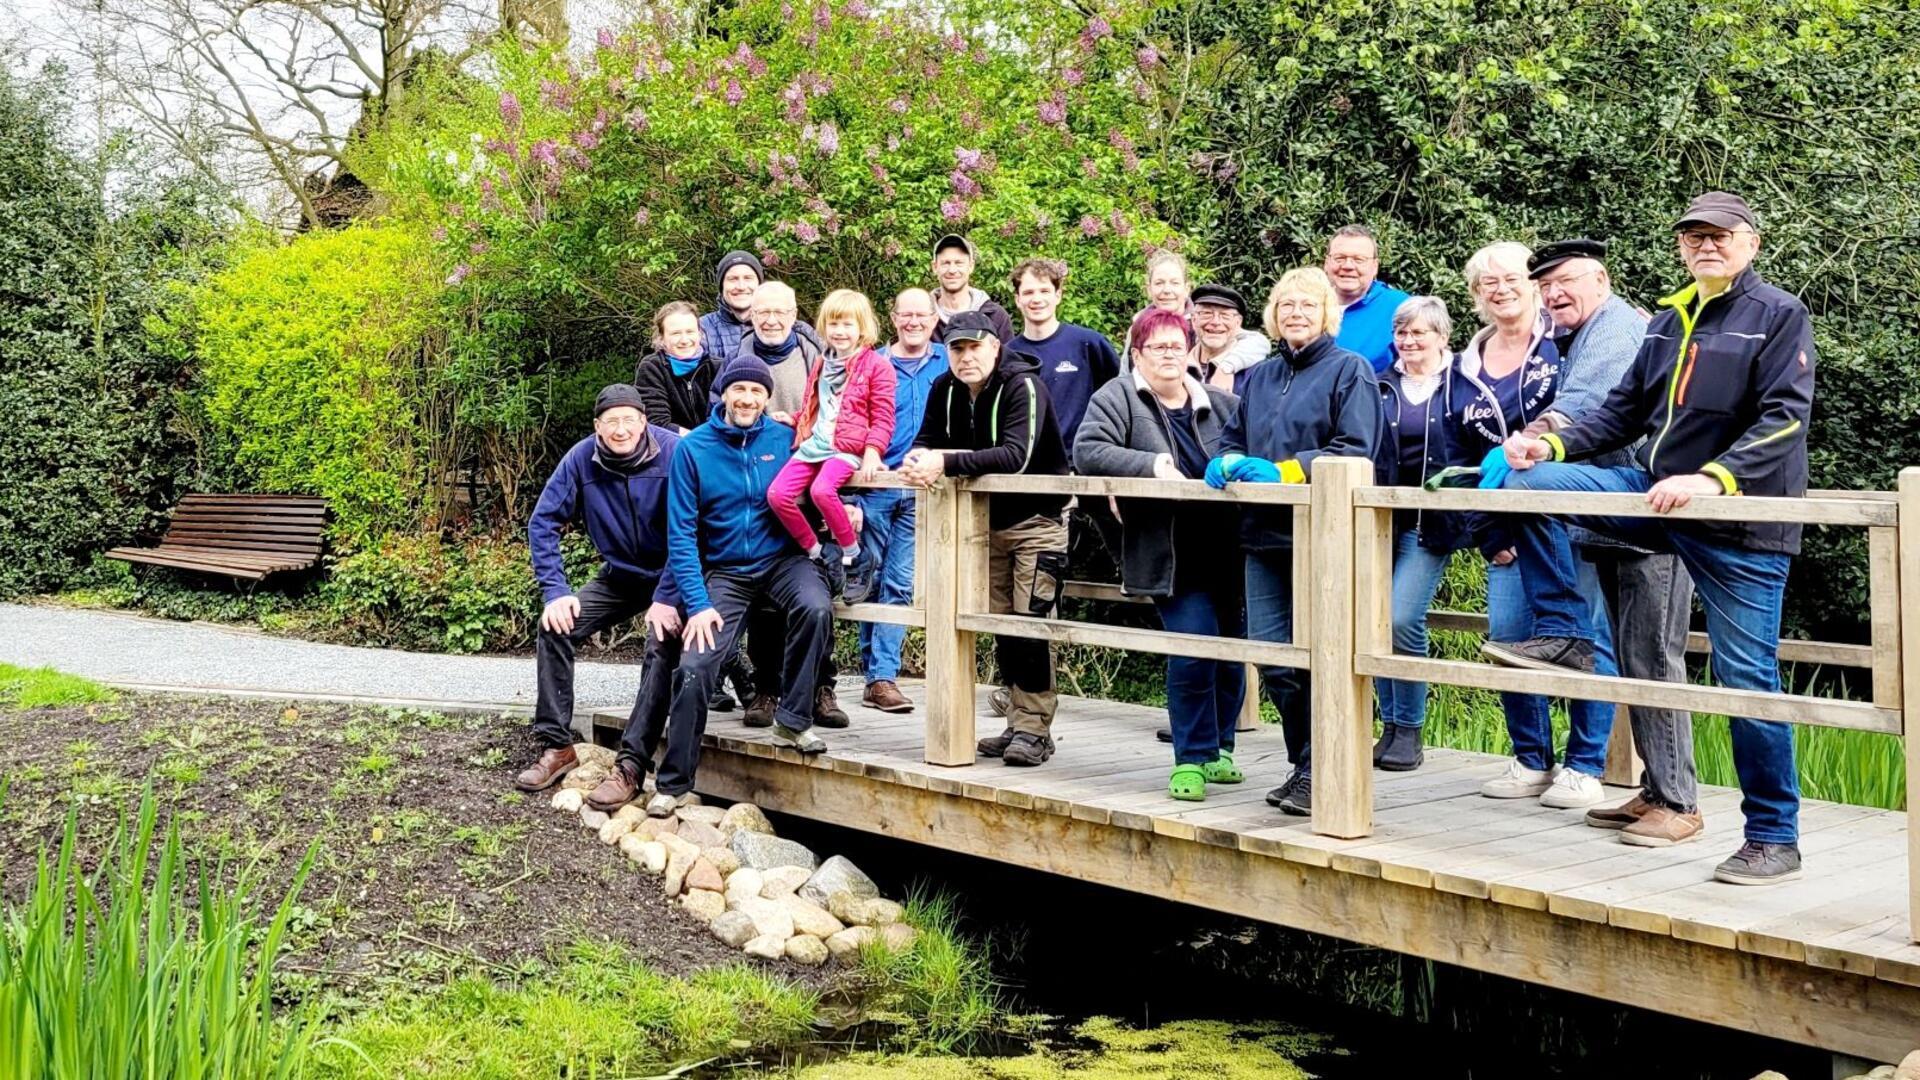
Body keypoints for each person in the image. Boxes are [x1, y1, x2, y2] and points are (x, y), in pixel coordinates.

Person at [1492, 193, 1815, 885]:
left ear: (1750, 243)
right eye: (1694, 235)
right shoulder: (1670, 318)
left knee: (1746, 680)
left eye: (1720, 235)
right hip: (1655, 501)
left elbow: (1787, 418)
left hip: (1740, 523)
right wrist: (1551, 443)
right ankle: (1566, 632)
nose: (1706, 245)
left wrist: (1713, 479)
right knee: (1523, 486)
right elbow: (1621, 413)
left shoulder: (1778, 314)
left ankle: (1773, 837)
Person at [1526, 238, 1702, 845]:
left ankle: (1679, 801)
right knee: (1634, 658)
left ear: (1599, 279)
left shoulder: (1616, 326)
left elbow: (1588, 408)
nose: (1553, 295)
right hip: (1611, 519)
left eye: (1564, 281)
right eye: (1544, 287)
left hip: (1649, 516)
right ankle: (1656, 790)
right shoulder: (1579, 334)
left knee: (1655, 658)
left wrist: (1535, 438)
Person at [1204, 267, 1381, 816]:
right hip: (1263, 537)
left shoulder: (1349, 371)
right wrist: (1225, 459)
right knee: (1274, 657)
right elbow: (1233, 437)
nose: (1296, 314)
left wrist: (1287, 471)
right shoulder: (1261, 375)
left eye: (1307, 305)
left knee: (1324, 655)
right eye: (1286, 306)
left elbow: (1357, 449)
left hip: (1322, 539)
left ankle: (1319, 768)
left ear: (1327, 312)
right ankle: (1305, 761)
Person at [1447, 241, 1614, 810]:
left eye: (1511, 277)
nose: (1500, 288)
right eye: (1485, 282)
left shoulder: (1564, 343)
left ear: (1534, 285)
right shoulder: (1463, 366)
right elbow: (1456, 452)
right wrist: (1487, 531)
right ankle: (1531, 758)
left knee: (1588, 636)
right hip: (1505, 527)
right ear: (1476, 296)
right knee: (1511, 638)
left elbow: (1596, 412)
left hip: (1568, 513)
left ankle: (1585, 765)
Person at [1075, 308, 1245, 800]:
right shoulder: (1119, 397)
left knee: (1234, 650)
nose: (1169, 355)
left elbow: (1254, 451)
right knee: (1194, 647)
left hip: (1230, 548)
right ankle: (1191, 759)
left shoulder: (1223, 402)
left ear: (1192, 351)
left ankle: (1221, 747)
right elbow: (1088, 450)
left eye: (1177, 346)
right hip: (1168, 551)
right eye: (1157, 347)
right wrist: (1152, 465)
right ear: (1137, 353)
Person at [902, 310, 1072, 767]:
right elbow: (926, 439)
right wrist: (918, 460)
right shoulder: (944, 388)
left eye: (975, 347)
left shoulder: (1024, 386)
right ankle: (1019, 724)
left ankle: (1034, 728)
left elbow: (1016, 457)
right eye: (957, 348)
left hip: (1037, 522)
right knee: (998, 626)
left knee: (1028, 625)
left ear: (995, 347)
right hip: (981, 527)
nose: (966, 357)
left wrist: (944, 462)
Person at [660, 356, 838, 760]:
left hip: (784, 561)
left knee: (816, 608)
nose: (747, 399)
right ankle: (675, 780)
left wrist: (844, 518)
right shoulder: (693, 449)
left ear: (766, 397)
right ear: (724, 393)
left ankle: (792, 721)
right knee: (694, 668)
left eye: (757, 391)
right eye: (739, 389)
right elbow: (681, 534)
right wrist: (698, 604)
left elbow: (823, 478)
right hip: (728, 572)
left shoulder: (786, 439)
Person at [515, 384, 682, 797]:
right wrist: (555, 590)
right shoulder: (580, 459)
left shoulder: (676, 453)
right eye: (612, 422)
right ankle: (557, 746)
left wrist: (668, 596)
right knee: (555, 627)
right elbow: (543, 522)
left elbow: (695, 531)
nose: (621, 430)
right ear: (598, 426)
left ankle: (630, 765)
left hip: (673, 575)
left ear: (644, 421)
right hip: (620, 577)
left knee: (661, 644)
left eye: (629, 420)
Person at [1371, 297, 1467, 772]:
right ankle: (1387, 727)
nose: (1409, 342)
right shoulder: (1380, 385)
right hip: (1378, 521)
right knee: (1372, 620)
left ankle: (1409, 728)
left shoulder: (1462, 385)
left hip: (1431, 524)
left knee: (1402, 616)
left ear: (1442, 337)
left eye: (1419, 334)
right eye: (1402, 333)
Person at [767, 289, 897, 599]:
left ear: (862, 328)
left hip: (848, 448)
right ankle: (819, 553)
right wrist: (796, 418)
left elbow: (883, 417)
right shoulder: (823, 363)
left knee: (822, 490)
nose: (840, 332)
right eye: (834, 324)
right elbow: (822, 407)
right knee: (778, 494)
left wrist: (871, 453)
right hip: (815, 443)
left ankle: (855, 555)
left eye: (848, 325)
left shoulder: (877, 366)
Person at [857, 289, 949, 713]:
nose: (913, 321)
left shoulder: (948, 362)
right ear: (893, 318)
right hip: (875, 484)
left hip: (920, 488)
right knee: (868, 576)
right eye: (905, 314)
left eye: (921, 315)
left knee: (899, 582)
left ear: (934, 319)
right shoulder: (871, 363)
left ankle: (882, 676)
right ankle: (871, 671)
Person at [1008, 257, 1123, 446]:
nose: (1037, 299)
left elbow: (1117, 397)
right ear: (1018, 299)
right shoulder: (1007, 355)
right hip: (1027, 465)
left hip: (1082, 462)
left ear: (1058, 295)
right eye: (1028, 292)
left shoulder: (1089, 344)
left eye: (1044, 291)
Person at [1324, 224, 1411, 374]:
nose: (1348, 266)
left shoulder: (1401, 307)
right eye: (1339, 258)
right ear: (1326, 263)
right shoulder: (1307, 304)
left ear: (1375, 266)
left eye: (1359, 260)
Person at [734, 281, 825, 421]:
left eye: (779, 312)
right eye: (763, 312)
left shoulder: (820, 357)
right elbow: (719, 411)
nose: (771, 321)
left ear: (793, 315)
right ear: (752, 315)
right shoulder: (734, 359)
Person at [636, 301, 720, 434]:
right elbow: (657, 423)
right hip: (672, 447)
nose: (684, 340)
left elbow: (726, 415)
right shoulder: (652, 368)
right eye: (676, 333)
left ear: (699, 334)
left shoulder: (719, 367)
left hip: (717, 444)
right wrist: (697, 442)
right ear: (661, 338)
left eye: (690, 332)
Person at [930, 234, 1017, 344]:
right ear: (934, 267)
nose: (952, 270)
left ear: (971, 266)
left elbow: (1007, 359)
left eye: (959, 263)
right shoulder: (921, 317)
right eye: (946, 263)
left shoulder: (995, 316)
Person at [1191, 284, 1270, 394]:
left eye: (1225, 315)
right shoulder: (1178, 365)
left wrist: (1226, 368)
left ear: (1238, 323)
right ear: (1194, 320)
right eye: (1207, 314)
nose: (1216, 322)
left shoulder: (1255, 373)